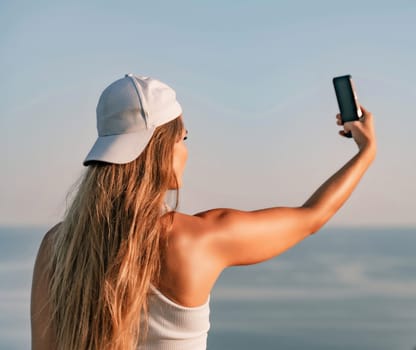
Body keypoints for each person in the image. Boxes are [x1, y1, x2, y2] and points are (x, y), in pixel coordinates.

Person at [30, 73, 376, 350]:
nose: (185, 151)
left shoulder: (57, 246)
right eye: (182, 138)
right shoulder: (197, 239)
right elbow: (311, 217)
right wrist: (366, 151)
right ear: (160, 149)